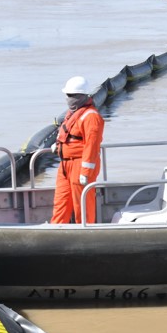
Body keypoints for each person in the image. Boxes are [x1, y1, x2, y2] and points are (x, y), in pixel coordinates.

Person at [50, 76, 104, 224]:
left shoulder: (91, 117)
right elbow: (68, 134)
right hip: (65, 165)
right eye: (68, 95)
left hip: (80, 165)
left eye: (72, 96)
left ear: (82, 96)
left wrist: (85, 172)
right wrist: (58, 145)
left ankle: (85, 232)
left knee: (83, 204)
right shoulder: (72, 114)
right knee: (61, 203)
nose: (69, 99)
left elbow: (91, 146)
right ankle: (57, 232)